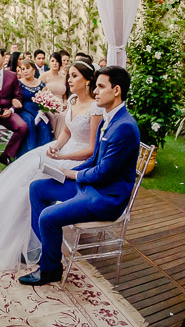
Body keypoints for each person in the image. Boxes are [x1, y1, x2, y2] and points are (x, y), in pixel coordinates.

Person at [0, 61, 103, 272]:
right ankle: (8, 233)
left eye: (74, 76)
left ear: (87, 80)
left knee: (35, 180)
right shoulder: (73, 100)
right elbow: (67, 132)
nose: (69, 80)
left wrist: (64, 155)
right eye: (69, 76)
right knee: (26, 167)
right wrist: (56, 147)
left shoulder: (95, 108)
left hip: (79, 159)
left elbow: (92, 148)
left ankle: (33, 243)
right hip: (64, 149)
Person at [20, 66, 141, 286]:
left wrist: (73, 176)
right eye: (95, 86)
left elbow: (103, 173)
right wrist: (67, 173)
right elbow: (95, 158)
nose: (96, 91)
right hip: (91, 186)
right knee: (37, 188)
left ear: (116, 90)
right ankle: (48, 252)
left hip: (105, 197)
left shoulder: (124, 126)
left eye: (101, 86)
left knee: (48, 216)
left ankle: (50, 269)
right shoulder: (109, 119)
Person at [15, 58, 53, 157]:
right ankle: (28, 154)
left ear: (33, 70)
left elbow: (45, 98)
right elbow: (14, 98)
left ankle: (44, 155)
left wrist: (44, 109)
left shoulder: (41, 84)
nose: (25, 71)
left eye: (28, 68)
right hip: (24, 110)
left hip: (38, 110)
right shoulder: (18, 83)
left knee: (44, 125)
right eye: (23, 69)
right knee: (30, 122)